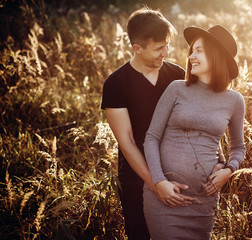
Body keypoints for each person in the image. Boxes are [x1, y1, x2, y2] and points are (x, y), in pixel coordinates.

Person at [143, 24, 246, 239]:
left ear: (216, 56)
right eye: (192, 51)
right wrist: (159, 182)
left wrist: (228, 171)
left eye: (199, 51)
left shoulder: (234, 100)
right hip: (165, 198)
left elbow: (238, 147)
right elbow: (151, 138)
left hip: (203, 202)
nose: (191, 57)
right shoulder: (177, 89)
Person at [101, 8, 193, 240]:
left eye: (167, 45)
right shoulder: (116, 84)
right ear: (137, 48)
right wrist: (156, 184)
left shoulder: (177, 75)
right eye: (158, 48)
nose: (166, 53)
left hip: (178, 175)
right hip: (137, 180)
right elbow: (127, 141)